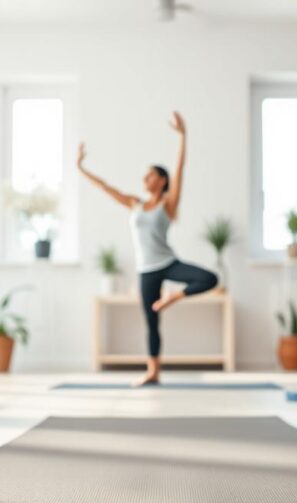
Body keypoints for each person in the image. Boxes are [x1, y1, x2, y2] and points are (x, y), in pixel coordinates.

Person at [78, 111, 218, 386]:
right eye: (145, 175)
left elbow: (180, 171)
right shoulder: (135, 204)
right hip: (146, 270)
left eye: (151, 175)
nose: (145, 178)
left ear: (162, 180)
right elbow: (106, 187)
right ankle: (153, 371)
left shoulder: (168, 203)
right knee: (151, 323)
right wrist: (80, 167)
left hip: (167, 262)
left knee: (210, 278)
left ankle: (173, 297)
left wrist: (183, 136)